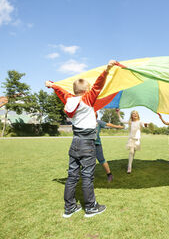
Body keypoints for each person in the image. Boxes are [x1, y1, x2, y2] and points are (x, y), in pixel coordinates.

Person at [45, 59, 118, 218]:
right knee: (87, 176)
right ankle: (91, 208)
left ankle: (69, 208)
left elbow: (61, 92)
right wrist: (107, 69)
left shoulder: (69, 100)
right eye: (90, 89)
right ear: (87, 90)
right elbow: (99, 84)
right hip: (87, 144)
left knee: (72, 176)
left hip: (75, 143)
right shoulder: (87, 99)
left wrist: (52, 85)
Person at [94, 111, 124, 182]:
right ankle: (88, 176)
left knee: (101, 160)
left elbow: (109, 124)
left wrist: (118, 126)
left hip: (97, 144)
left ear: (96, 116)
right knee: (88, 161)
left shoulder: (98, 122)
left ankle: (109, 174)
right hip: (87, 145)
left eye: (94, 114)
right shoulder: (85, 122)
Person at [116, 109, 148, 174]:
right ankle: (129, 167)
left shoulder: (140, 121)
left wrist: (146, 125)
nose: (135, 114)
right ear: (131, 116)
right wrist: (118, 113)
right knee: (131, 152)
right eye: (133, 113)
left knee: (133, 153)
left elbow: (144, 126)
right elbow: (121, 120)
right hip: (131, 139)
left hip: (137, 140)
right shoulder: (130, 122)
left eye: (136, 113)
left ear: (138, 115)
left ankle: (130, 163)